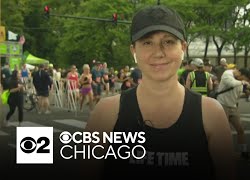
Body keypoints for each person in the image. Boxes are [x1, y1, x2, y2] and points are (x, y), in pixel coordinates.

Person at [85, 5, 234, 180]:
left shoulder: (211, 114)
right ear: (133, 50)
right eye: (147, 42)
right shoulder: (106, 112)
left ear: (183, 48)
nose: (158, 53)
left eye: (169, 42)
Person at [216, 66, 250, 160]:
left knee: (240, 129)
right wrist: (243, 82)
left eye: (243, 80)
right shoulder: (227, 73)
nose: (242, 80)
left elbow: (237, 95)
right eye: (242, 78)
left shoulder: (239, 82)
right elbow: (231, 84)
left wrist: (246, 94)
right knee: (222, 130)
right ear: (239, 73)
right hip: (222, 105)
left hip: (233, 106)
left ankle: (243, 151)